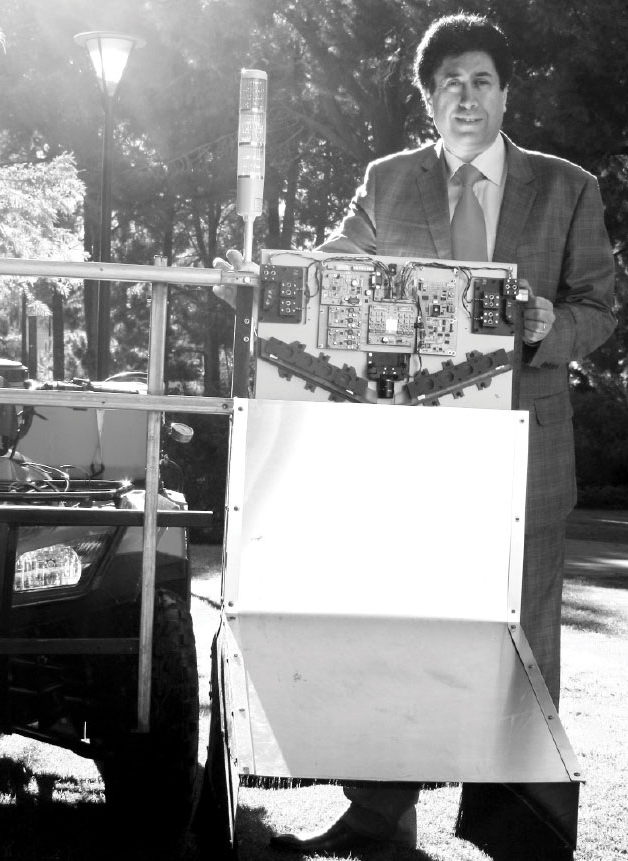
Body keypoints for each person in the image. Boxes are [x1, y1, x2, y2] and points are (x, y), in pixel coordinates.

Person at [215, 13, 616, 856]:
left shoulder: (567, 186)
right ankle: (379, 812)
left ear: (504, 93)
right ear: (427, 101)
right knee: (394, 625)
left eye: (477, 81)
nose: (462, 98)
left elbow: (599, 307)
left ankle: (525, 830)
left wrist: (549, 324)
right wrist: (259, 286)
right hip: (408, 457)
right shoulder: (386, 179)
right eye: (446, 85)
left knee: (525, 638)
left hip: (524, 454)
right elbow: (330, 275)